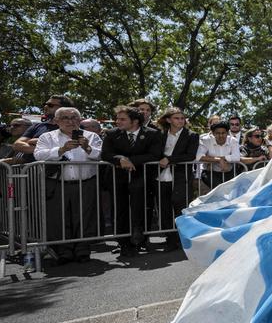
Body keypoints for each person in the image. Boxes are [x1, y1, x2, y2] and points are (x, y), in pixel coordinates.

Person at [33, 107, 103, 264]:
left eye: (74, 118)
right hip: (58, 184)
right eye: (65, 118)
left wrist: (87, 147)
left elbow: (99, 155)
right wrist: (61, 149)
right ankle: (64, 251)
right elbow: (38, 155)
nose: (70, 121)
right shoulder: (47, 137)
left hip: (85, 183)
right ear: (57, 121)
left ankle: (83, 250)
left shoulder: (91, 136)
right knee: (59, 218)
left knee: (84, 218)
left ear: (79, 120)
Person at [102, 105, 163, 257]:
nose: (118, 122)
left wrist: (131, 160)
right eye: (117, 118)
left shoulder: (152, 134)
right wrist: (120, 159)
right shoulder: (111, 134)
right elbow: (106, 154)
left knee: (142, 209)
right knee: (120, 211)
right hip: (118, 179)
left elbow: (155, 154)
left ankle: (142, 241)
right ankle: (123, 243)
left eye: (122, 119)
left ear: (135, 121)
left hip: (143, 178)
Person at [155, 107, 200, 252]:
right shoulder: (160, 134)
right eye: (177, 118)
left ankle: (183, 239)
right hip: (161, 176)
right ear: (168, 120)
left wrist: (169, 159)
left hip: (181, 176)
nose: (181, 121)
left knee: (180, 208)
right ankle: (170, 239)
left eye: (182, 118)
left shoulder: (191, 135)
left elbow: (190, 155)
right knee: (164, 208)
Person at [11, 95, 73, 162]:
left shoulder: (73, 126)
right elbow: (17, 145)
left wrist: (35, 143)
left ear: (63, 108)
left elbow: (71, 147)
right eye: (45, 104)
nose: (46, 106)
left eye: (50, 105)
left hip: (60, 170)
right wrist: (45, 149)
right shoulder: (37, 126)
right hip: (32, 170)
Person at [197, 121, 241, 189]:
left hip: (229, 172)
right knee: (219, 190)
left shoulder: (233, 140)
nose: (221, 136)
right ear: (213, 133)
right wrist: (219, 160)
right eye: (217, 133)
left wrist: (220, 158)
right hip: (210, 173)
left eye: (223, 133)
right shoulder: (205, 140)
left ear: (227, 132)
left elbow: (236, 157)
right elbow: (199, 156)